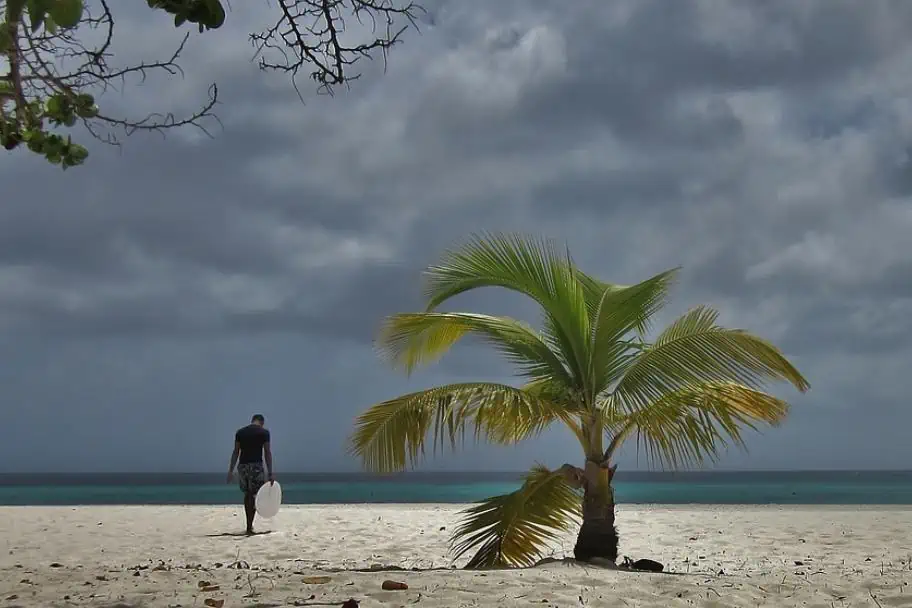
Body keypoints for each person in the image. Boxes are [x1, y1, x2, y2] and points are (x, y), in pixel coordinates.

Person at [227, 414, 274, 535]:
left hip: (242, 466)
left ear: (252, 420)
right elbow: (267, 453)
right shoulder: (264, 432)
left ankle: (248, 525)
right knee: (254, 495)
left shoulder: (240, 432)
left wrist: (230, 471)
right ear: (262, 422)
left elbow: (235, 452)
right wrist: (270, 472)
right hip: (256, 466)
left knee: (247, 494)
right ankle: (250, 526)